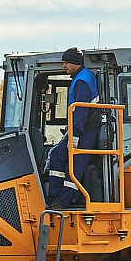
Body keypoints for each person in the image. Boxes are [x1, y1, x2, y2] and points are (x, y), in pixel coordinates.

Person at [44, 47, 100, 209]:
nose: (64, 66)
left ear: (75, 63)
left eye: (66, 62)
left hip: (86, 130)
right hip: (80, 129)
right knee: (57, 155)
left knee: (75, 167)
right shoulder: (82, 78)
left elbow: (81, 111)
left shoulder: (82, 81)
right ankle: (54, 197)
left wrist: (75, 135)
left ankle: (63, 202)